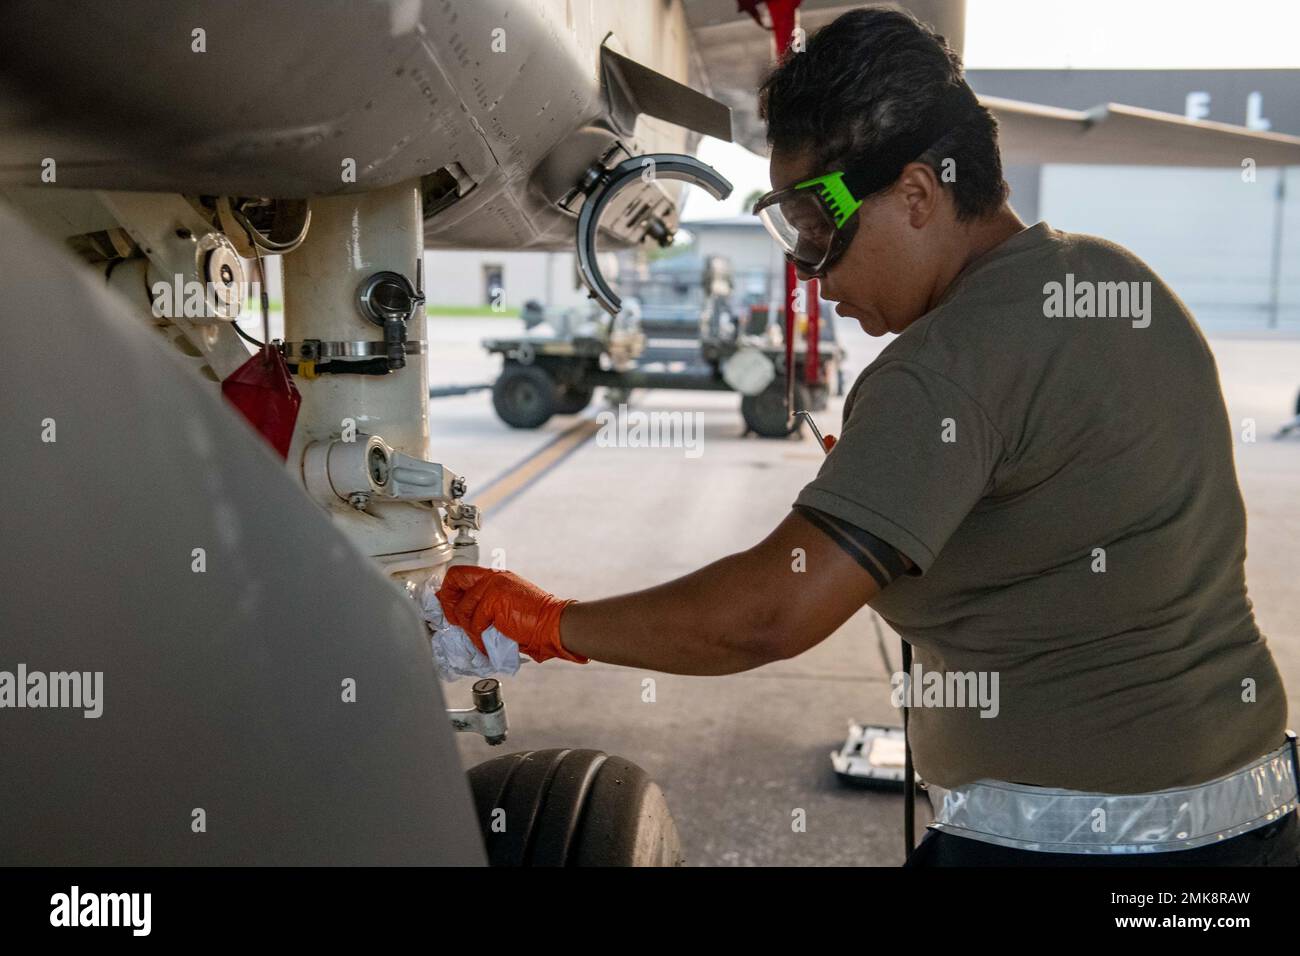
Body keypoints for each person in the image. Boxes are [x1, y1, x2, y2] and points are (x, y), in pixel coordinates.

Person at [439, 8, 1297, 866]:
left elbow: (766, 617)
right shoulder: (1115, 281)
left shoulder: (946, 364)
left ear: (918, 194)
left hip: (1074, 845)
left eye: (820, 228)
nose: (813, 274)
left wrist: (552, 622)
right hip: (1251, 818)